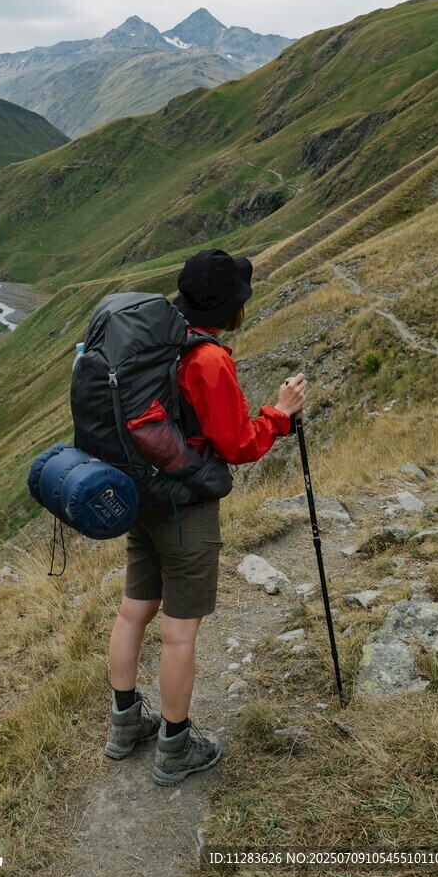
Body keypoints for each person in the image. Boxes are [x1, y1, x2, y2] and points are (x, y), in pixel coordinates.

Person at [104, 248, 307, 786]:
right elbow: (237, 444)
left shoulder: (154, 335)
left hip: (140, 493)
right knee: (179, 632)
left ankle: (125, 725)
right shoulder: (209, 359)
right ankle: (174, 746)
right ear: (231, 307)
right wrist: (280, 415)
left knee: (132, 612)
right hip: (184, 506)